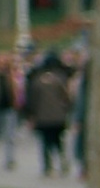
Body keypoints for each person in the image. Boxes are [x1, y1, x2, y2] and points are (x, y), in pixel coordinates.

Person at [27, 47, 74, 179]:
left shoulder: (37, 80)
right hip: (58, 117)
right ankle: (63, 163)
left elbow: (32, 99)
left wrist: (31, 115)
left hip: (42, 117)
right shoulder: (60, 78)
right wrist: (67, 109)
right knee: (58, 142)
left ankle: (48, 166)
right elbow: (66, 97)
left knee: (45, 142)